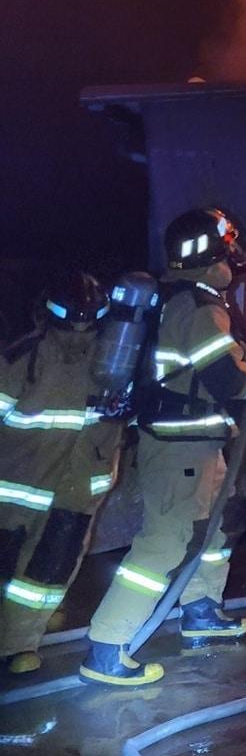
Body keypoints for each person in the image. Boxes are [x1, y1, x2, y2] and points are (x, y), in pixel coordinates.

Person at [81, 208, 246, 686]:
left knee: (215, 530)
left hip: (194, 444)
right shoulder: (199, 307)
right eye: (228, 246)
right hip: (180, 448)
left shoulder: (180, 300)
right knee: (164, 543)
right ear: (213, 254)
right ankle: (106, 648)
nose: (235, 254)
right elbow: (229, 381)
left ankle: (201, 614)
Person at [0, 272, 121, 675]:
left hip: (45, 491)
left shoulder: (113, 362)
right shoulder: (112, 362)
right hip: (62, 492)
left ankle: (19, 641)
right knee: (44, 573)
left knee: (41, 573)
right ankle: (19, 644)